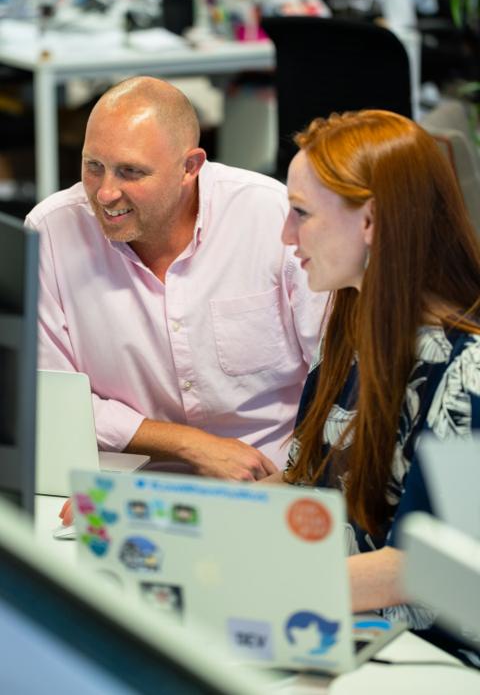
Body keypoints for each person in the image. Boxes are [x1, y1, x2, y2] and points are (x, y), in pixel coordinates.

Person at [26, 75, 325, 494]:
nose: (105, 193)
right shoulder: (51, 231)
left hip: (274, 478)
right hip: (128, 484)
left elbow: (338, 376)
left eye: (131, 172)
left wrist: (295, 480)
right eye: (93, 166)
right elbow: (46, 394)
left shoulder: (270, 215)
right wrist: (190, 445)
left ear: (190, 167)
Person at [265, 109, 480, 640]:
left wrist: (250, 583)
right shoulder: (349, 327)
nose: (287, 235)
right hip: (348, 626)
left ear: (370, 222)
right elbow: (302, 485)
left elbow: (424, 565)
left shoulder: (469, 370)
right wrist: (164, 520)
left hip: (431, 657)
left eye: (301, 213)